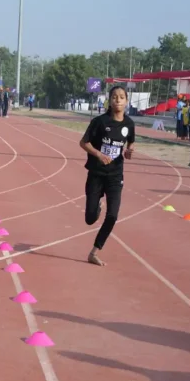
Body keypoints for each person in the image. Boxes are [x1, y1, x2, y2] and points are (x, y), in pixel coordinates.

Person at [79, 85, 136, 266]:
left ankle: (94, 252)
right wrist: (99, 154)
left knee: (112, 216)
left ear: (126, 101)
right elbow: (83, 142)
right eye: (114, 97)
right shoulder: (100, 122)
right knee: (90, 219)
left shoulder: (129, 124)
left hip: (115, 176)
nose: (118, 100)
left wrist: (129, 151)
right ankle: (97, 206)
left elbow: (130, 143)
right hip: (96, 173)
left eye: (121, 97)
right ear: (109, 101)